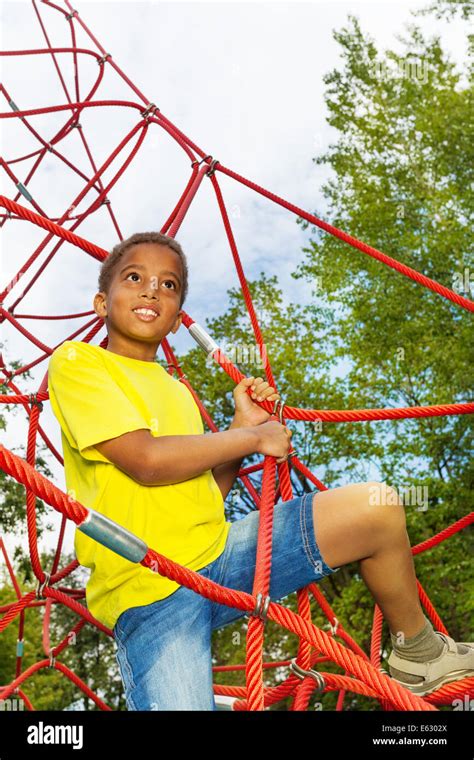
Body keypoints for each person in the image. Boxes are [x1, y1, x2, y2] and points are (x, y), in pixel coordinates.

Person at [48, 231, 474, 711]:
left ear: (175, 316)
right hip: (147, 591)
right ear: (102, 302)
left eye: (169, 285)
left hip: (222, 556)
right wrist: (251, 438)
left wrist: (240, 426)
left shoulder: (177, 391)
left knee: (375, 510)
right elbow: (145, 461)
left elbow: (205, 495)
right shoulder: (78, 362)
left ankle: (418, 655)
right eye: (135, 277)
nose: (152, 290)